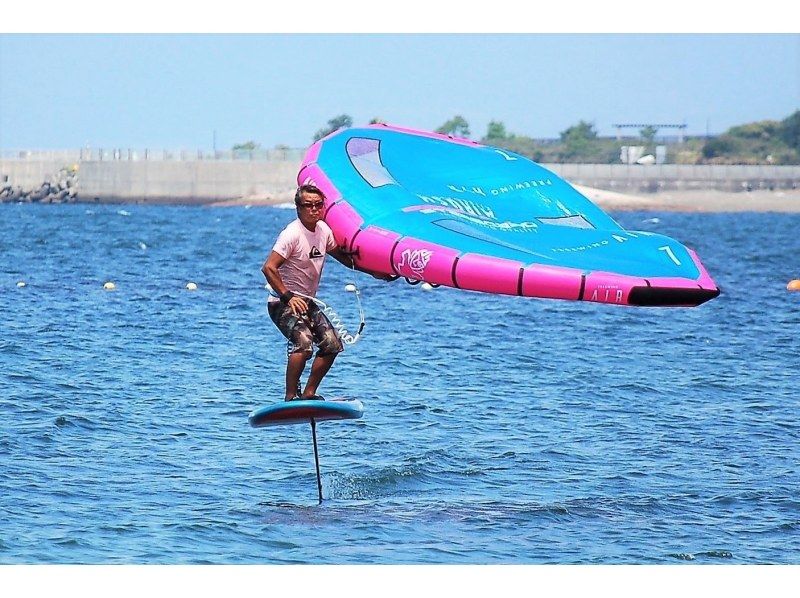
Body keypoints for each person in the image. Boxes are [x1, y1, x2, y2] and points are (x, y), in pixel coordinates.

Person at [261, 184, 357, 401]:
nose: (314, 209)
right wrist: (288, 296)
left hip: (308, 301)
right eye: (308, 205)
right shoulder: (292, 234)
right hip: (281, 301)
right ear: (298, 208)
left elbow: (344, 258)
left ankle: (309, 393)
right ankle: (289, 397)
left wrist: (376, 271)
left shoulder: (323, 230)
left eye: (318, 205)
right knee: (304, 345)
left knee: (332, 345)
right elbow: (268, 267)